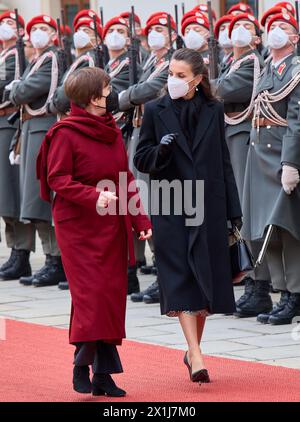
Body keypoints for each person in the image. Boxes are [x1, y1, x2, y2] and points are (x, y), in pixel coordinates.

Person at [37, 67, 152, 396]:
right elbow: (58, 179)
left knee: (110, 299)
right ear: (91, 98)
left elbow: (125, 178)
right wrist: (94, 195)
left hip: (111, 225)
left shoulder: (112, 130)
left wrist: (140, 221)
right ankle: (83, 365)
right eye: (106, 90)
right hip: (78, 228)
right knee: (91, 297)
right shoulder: (65, 133)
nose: (111, 94)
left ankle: (101, 374)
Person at [134, 48, 242, 384]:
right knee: (181, 276)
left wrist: (233, 213)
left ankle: (193, 347)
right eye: (171, 74)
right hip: (172, 205)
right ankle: (195, 353)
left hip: (209, 206)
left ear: (197, 79)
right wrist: (161, 151)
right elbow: (141, 159)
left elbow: (224, 163)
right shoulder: (155, 109)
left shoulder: (214, 109)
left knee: (204, 281)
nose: (174, 80)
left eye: (181, 76)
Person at [243, 12, 300, 325]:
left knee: (287, 228)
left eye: (284, 27)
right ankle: (281, 292)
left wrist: (292, 162)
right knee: (266, 227)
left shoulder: (296, 69)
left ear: (295, 37)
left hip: (280, 154)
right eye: (272, 27)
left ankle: (295, 293)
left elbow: (297, 120)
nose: (276, 31)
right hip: (259, 152)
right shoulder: (266, 66)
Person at [215, 13, 272, 318]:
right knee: (236, 214)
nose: (237, 31)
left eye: (245, 26)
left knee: (247, 213)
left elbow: (223, 90)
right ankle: (250, 279)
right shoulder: (229, 62)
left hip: (242, 138)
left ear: (256, 37)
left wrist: (201, 82)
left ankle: (259, 286)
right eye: (231, 26)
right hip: (228, 137)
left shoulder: (252, 62)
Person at [119, 12, 177, 301]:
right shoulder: (150, 63)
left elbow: (147, 90)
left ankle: (164, 273)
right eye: (152, 29)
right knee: (138, 202)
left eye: (161, 29)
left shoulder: (172, 63)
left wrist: (125, 96)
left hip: (158, 139)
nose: (155, 34)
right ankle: (147, 269)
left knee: (155, 205)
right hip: (140, 134)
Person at [9, 15, 65, 287]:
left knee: (42, 197)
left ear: (54, 34)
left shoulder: (52, 58)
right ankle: (50, 257)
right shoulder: (37, 59)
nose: (39, 33)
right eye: (36, 29)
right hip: (31, 129)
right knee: (33, 199)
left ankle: (57, 259)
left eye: (45, 28)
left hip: (44, 129)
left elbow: (23, 91)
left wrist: (16, 89)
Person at [0, 11, 35, 281]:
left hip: (10, 123)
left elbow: (7, 87)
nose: (5, 28)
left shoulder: (16, 56)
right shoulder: (5, 55)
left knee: (13, 191)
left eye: (11, 24)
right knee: (5, 195)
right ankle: (14, 249)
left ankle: (22, 252)